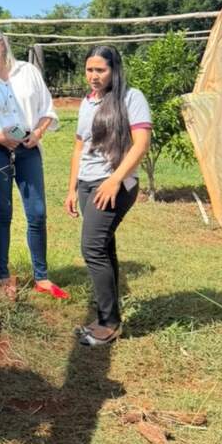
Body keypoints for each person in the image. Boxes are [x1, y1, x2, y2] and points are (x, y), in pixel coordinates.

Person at [0, 26, 66, 301]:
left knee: (37, 212)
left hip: (27, 146)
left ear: (3, 44)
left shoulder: (28, 72)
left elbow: (47, 111)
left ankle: (41, 276)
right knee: (3, 212)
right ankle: (2, 275)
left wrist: (39, 133)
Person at [64, 45, 152, 347]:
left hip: (114, 184)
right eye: (89, 69)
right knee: (103, 247)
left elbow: (141, 144)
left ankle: (108, 323)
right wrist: (72, 188)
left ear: (114, 69)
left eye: (100, 70)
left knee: (92, 249)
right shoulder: (87, 102)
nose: (94, 76)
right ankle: (109, 317)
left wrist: (115, 180)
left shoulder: (131, 97)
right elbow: (79, 146)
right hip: (88, 183)